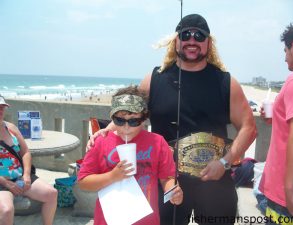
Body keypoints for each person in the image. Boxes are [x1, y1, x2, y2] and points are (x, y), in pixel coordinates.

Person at [88, 14, 256, 225]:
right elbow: (129, 112)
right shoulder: (155, 79)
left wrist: (224, 163)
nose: (192, 41)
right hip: (165, 181)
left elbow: (249, 128)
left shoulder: (226, 83)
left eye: (199, 36)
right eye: (186, 35)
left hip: (215, 180)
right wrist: (106, 131)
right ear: (175, 41)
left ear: (209, 43)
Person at [77, 86, 183, 225]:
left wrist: (173, 190)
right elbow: (83, 182)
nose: (126, 127)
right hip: (108, 220)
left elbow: (167, 177)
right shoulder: (100, 142)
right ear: (112, 118)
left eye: (133, 121)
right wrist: (112, 176)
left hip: (147, 220)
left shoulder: (157, 142)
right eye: (120, 121)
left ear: (144, 119)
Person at [259, 20, 293, 225]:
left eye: (286, 50)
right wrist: (276, 117)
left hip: (286, 195)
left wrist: (291, 191)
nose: (285, 58)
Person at [0, 95, 57, 225]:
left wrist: (26, 175)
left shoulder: (11, 128)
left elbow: (25, 152)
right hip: (2, 182)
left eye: (2, 107)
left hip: (19, 176)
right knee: (6, 209)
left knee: (51, 193)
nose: (0, 111)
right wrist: (7, 184)